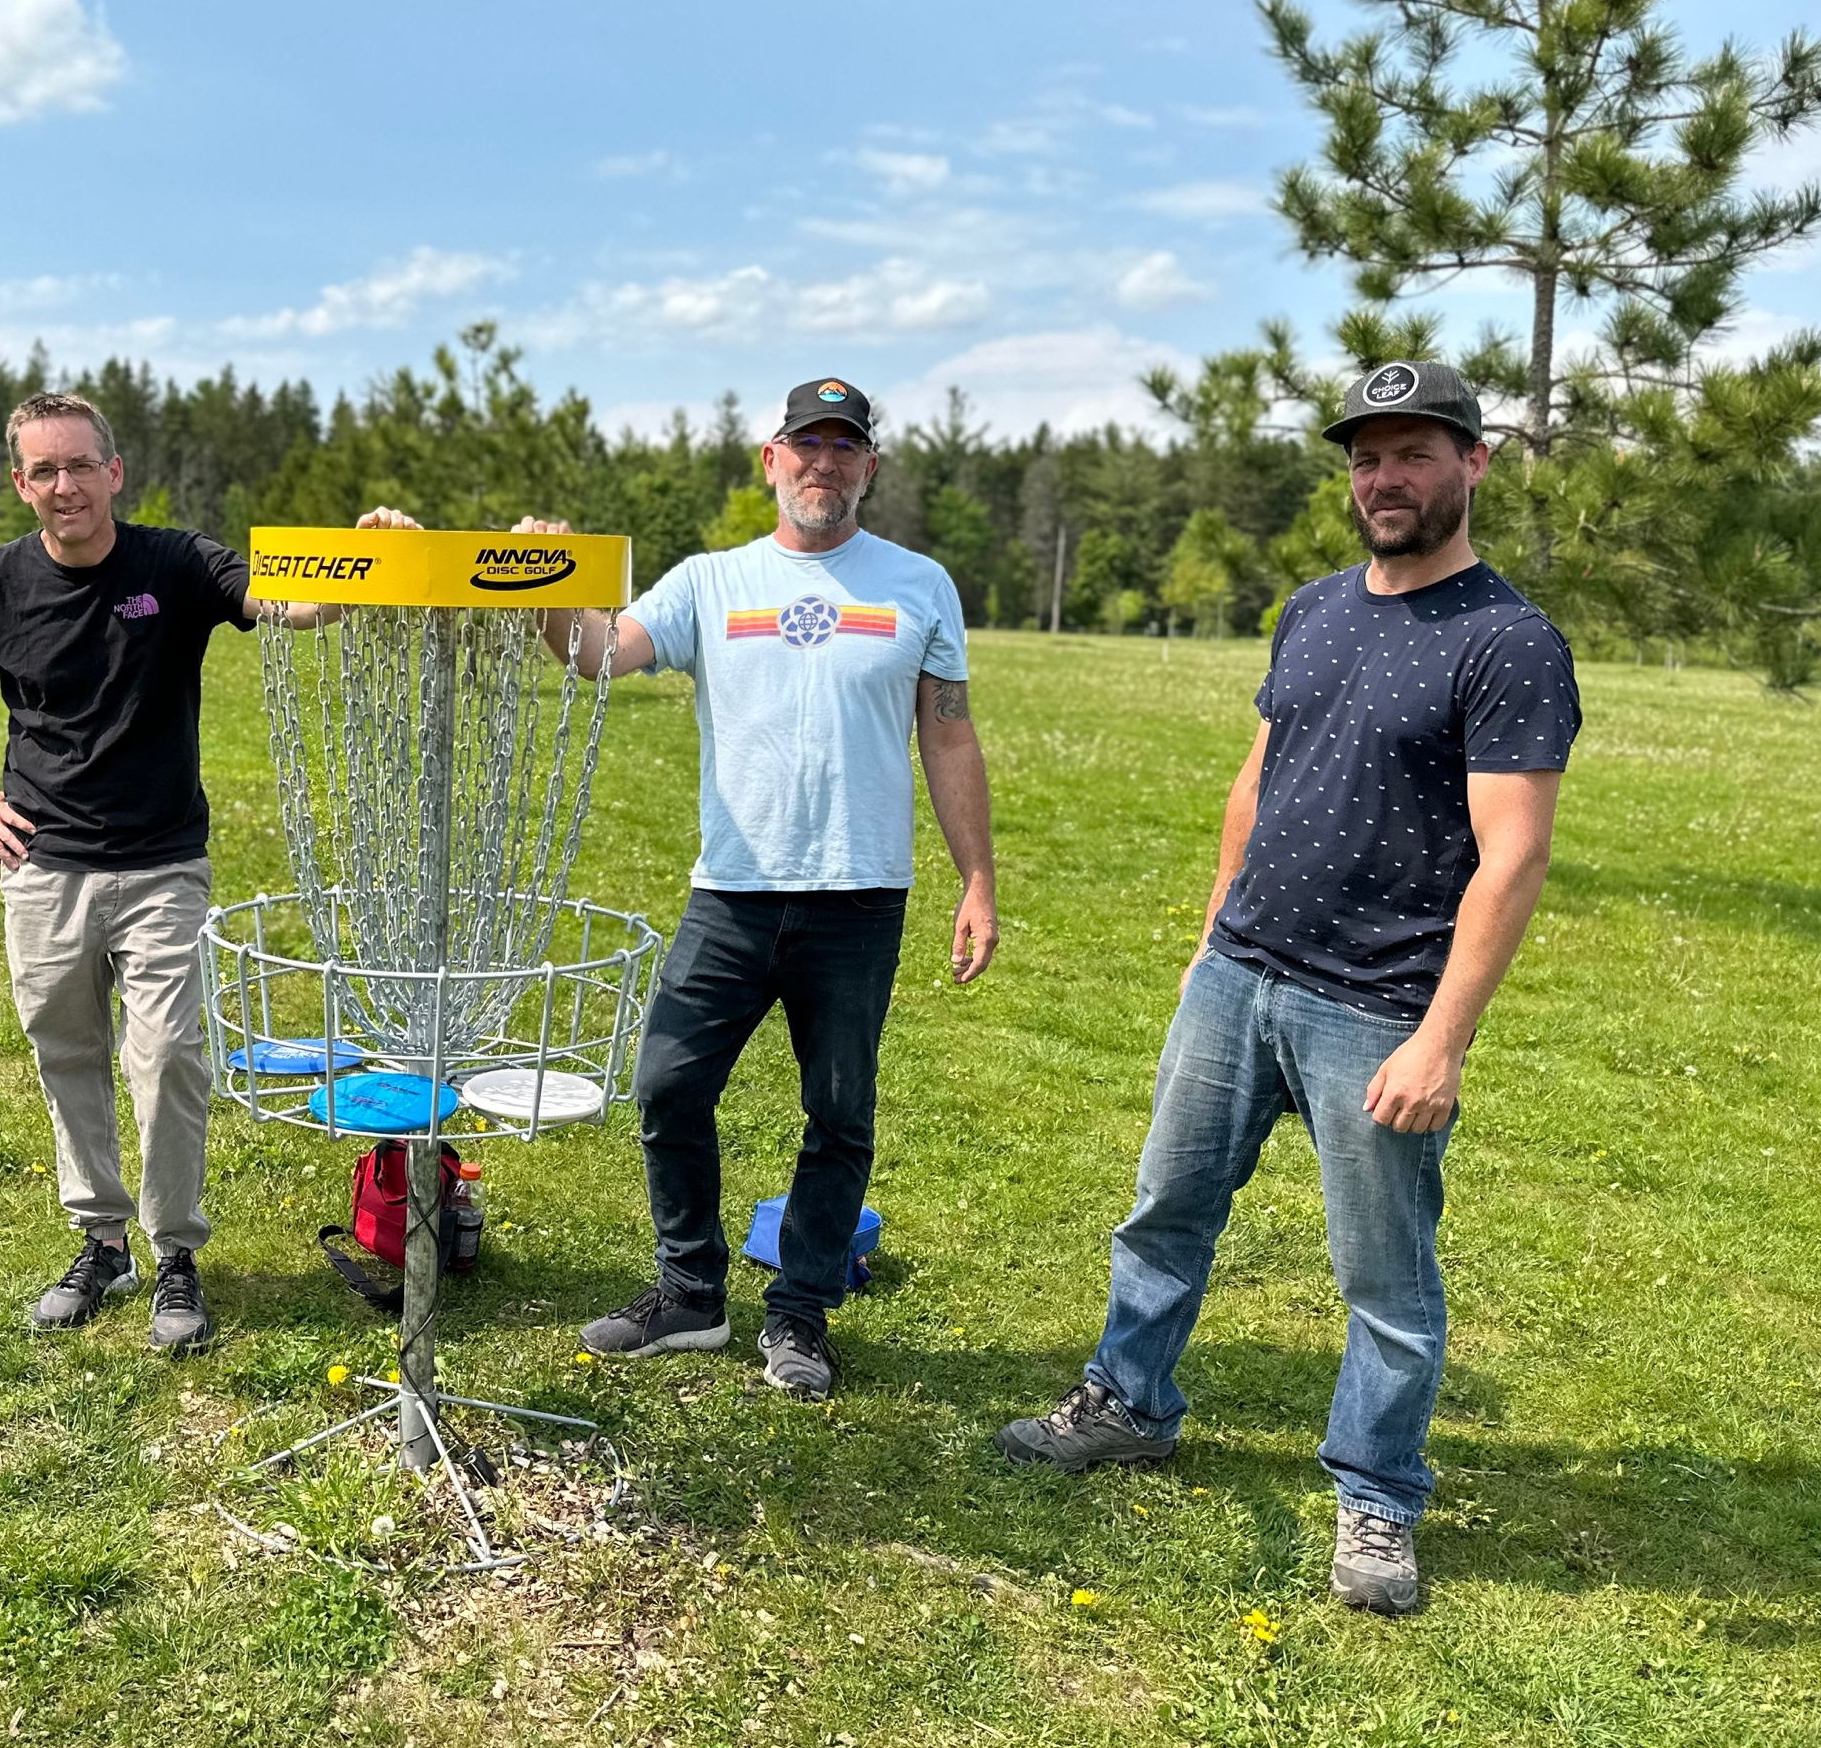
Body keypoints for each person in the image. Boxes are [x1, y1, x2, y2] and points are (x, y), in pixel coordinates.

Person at [996, 360, 1580, 1616]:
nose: (1386, 478)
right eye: (1368, 456)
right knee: (1164, 1210)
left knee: (1384, 1277)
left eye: (1416, 454)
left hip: (1374, 1008)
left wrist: (1441, 1041)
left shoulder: (1509, 642)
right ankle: (1128, 1403)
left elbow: (1514, 857)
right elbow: (1256, 779)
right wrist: (1214, 938)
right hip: (1240, 978)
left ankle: (1376, 1497)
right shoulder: (1313, 608)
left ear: (1473, 465)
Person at [524, 375, 999, 1402]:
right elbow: (599, 655)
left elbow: (948, 731)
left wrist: (979, 880)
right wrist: (547, 583)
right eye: (805, 445)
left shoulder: (917, 585)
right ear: (769, 460)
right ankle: (690, 1294)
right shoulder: (710, 581)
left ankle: (800, 1318)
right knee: (666, 1087)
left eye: (844, 448)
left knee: (839, 1115)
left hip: (859, 895)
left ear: (868, 467)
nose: (823, 464)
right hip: (731, 892)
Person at [0, 392, 331, 1351]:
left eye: (81, 465)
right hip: (44, 869)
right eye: (43, 471)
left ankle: (175, 1254)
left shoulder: (175, 563)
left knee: (167, 1057)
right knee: (69, 1055)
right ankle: (101, 1239)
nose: (64, 485)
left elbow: (288, 601)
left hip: (164, 863)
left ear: (115, 471)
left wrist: (360, 557)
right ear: (20, 484)